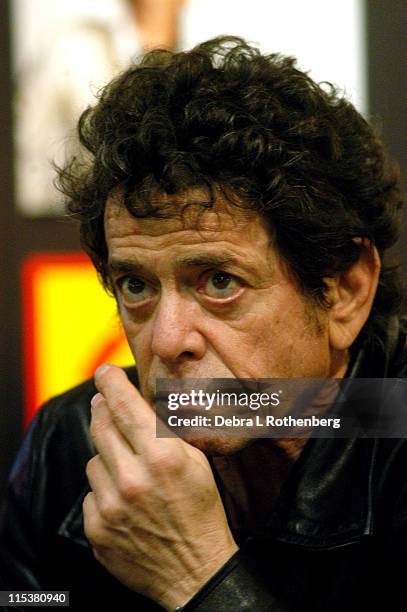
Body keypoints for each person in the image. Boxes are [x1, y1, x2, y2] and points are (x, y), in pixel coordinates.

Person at [1, 36, 406, 611]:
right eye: (136, 286)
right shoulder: (68, 447)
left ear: (345, 291)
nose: (166, 341)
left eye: (220, 282)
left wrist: (198, 575)